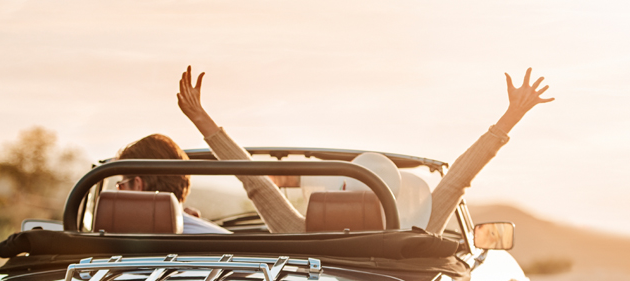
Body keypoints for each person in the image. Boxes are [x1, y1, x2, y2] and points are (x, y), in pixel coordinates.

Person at [176, 65, 554, 235]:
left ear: (340, 194)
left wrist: (202, 119)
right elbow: (459, 178)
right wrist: (511, 117)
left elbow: (255, 181)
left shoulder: (301, 232)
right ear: (398, 198)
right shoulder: (418, 235)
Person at [115, 134, 231, 234]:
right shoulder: (225, 240)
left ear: (138, 185)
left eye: (121, 186)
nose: (119, 193)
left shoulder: (113, 240)